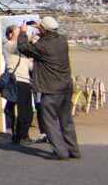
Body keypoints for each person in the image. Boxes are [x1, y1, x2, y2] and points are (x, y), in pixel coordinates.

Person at [15, 16, 79, 161]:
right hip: (65, 88)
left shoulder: (44, 47)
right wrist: (41, 28)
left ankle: (61, 152)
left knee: (49, 121)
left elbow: (23, 47)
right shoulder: (62, 40)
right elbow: (49, 38)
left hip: (50, 90)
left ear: (44, 29)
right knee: (66, 120)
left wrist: (23, 32)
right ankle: (73, 150)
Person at [1, 24, 35, 144]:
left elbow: (29, 65)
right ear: (10, 34)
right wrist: (26, 35)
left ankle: (21, 134)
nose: (21, 33)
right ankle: (20, 135)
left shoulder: (21, 51)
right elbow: (21, 45)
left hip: (25, 81)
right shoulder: (8, 46)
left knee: (27, 109)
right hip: (17, 80)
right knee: (23, 109)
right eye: (18, 32)